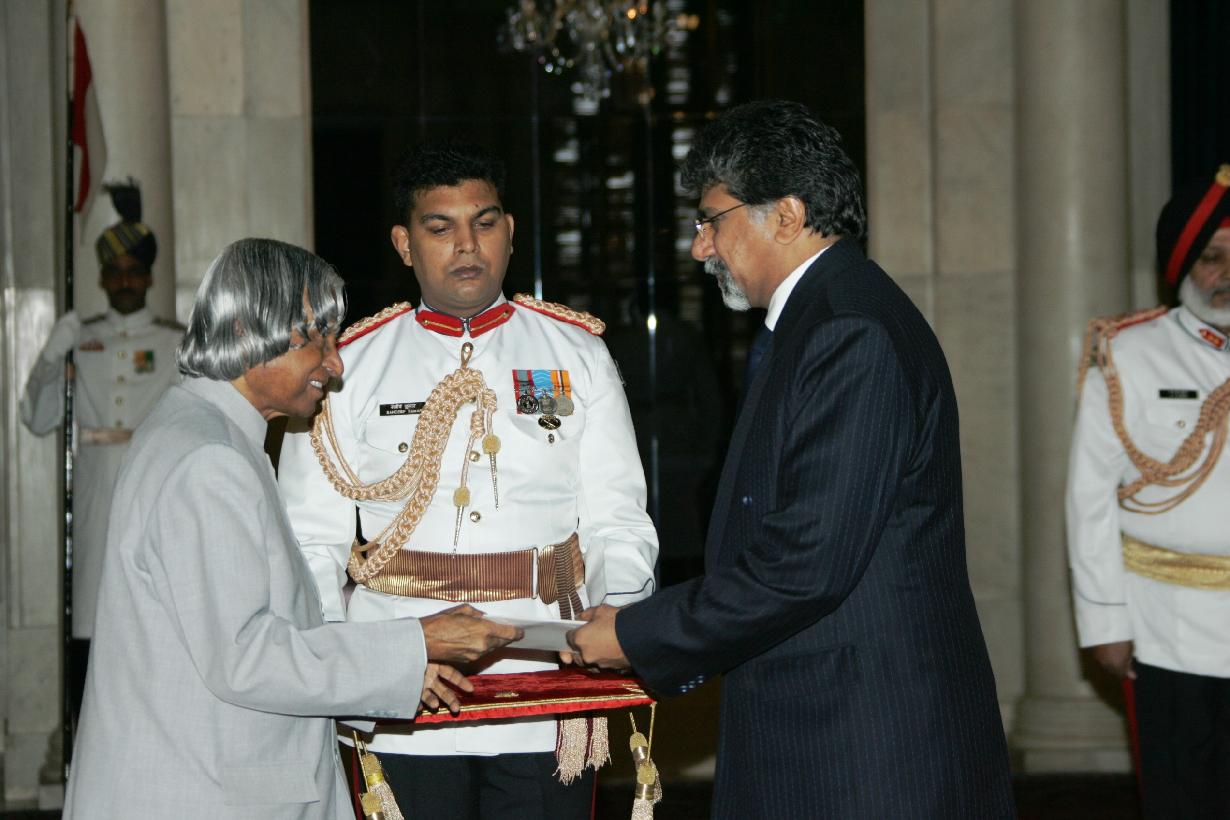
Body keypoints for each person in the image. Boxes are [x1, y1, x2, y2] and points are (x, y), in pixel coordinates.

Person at [568, 100, 1015, 817]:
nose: (700, 249)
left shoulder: (849, 331)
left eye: (711, 221)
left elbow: (805, 562)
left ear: (784, 215)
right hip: (829, 725)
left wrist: (636, 632)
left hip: (864, 746)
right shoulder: (824, 316)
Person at [62, 238, 522, 819]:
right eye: (317, 340)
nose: (334, 364)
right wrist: (416, 642)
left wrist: (396, 670)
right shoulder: (209, 459)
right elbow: (246, 656)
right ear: (247, 332)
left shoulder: (205, 432)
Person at [277, 141, 658, 819]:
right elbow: (309, 542)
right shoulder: (348, 367)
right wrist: (350, 668)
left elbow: (617, 518)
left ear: (509, 231)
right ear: (404, 244)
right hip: (403, 682)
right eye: (440, 227)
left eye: (484, 223)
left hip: (546, 676)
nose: (466, 246)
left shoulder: (576, 352)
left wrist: (620, 620)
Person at [1066, 163, 1230, 818]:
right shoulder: (1130, 354)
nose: (1226, 274)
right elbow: (1089, 499)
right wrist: (1104, 621)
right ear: (1181, 264)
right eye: (1212, 257)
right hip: (1169, 628)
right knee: (1184, 801)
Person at [20, 180, 184, 724]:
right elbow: (37, 418)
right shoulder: (81, 338)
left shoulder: (174, 342)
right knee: (90, 621)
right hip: (93, 500)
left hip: (154, 491)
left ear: (149, 278)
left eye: (134, 272)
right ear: (102, 279)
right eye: (115, 272)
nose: (125, 281)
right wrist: (52, 356)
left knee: (155, 620)